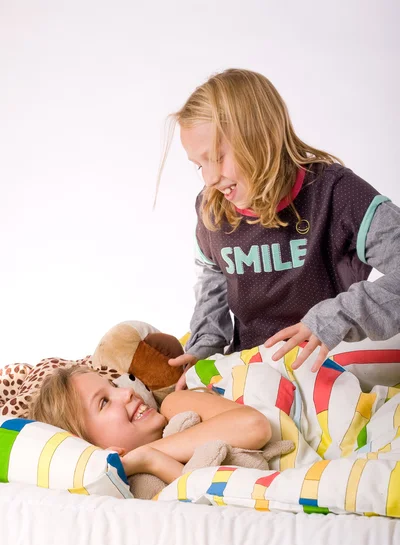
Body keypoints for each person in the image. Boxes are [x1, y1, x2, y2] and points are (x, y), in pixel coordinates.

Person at [161, 68, 400, 388]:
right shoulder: (211, 211)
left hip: (329, 365)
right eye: (199, 165)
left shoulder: (337, 194)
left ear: (259, 136)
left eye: (216, 157)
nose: (210, 178)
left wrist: (336, 317)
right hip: (255, 370)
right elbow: (213, 281)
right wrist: (204, 346)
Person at [29, 365, 271, 483]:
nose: (126, 393)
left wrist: (145, 454)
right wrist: (150, 461)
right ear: (83, 444)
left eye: (113, 387)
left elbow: (254, 425)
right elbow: (207, 501)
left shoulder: (175, 406)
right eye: (103, 402)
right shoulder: (131, 490)